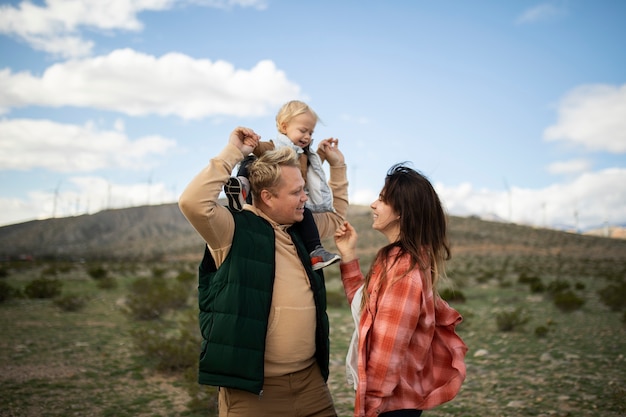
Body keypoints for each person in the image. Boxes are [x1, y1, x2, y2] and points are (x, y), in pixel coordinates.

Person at [178, 126, 349, 417]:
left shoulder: (301, 229)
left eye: (304, 191)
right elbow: (192, 202)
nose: (305, 199)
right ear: (267, 197)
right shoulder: (232, 229)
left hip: (311, 385)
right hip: (252, 394)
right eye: (297, 192)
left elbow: (336, 216)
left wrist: (338, 166)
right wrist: (233, 153)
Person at [334, 164, 467, 417]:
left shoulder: (404, 268)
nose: (373, 204)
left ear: (401, 213)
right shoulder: (397, 261)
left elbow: (388, 348)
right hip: (393, 402)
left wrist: (369, 405)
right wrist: (348, 255)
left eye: (382, 200)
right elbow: (364, 311)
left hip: (390, 406)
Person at [225, 100, 341, 270]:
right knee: (249, 161)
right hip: (263, 201)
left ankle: (315, 252)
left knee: (306, 215)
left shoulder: (303, 155)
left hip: (288, 204)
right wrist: (250, 141)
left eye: (310, 132)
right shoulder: (272, 147)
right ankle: (241, 187)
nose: (308, 136)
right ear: (284, 127)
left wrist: (322, 154)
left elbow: (311, 171)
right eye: (303, 130)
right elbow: (254, 148)